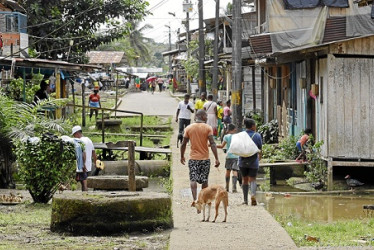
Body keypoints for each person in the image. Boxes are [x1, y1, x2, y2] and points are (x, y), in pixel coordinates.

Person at [180, 110, 220, 203]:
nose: (207, 118)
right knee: (205, 180)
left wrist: (182, 156)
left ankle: (195, 200)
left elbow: (183, 144)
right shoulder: (207, 128)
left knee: (193, 179)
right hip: (205, 159)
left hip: (193, 158)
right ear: (202, 116)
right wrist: (216, 158)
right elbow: (213, 143)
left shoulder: (189, 128)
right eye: (206, 116)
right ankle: (202, 200)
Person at [239, 118, 262, 206]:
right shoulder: (257, 136)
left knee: (244, 179)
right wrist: (259, 157)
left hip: (242, 161)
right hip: (253, 161)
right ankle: (253, 195)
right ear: (252, 126)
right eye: (255, 125)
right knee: (252, 179)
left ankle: (245, 200)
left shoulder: (241, 135)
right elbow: (260, 148)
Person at [72, 126, 97, 191]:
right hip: (88, 165)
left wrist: (83, 165)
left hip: (82, 166)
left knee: (84, 184)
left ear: (77, 133)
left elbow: (83, 154)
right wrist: (95, 162)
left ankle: (85, 196)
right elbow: (93, 152)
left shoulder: (79, 141)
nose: (74, 137)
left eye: (74, 135)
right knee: (81, 180)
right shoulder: (88, 140)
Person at [217, 123, 239, 193]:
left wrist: (212, 145)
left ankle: (227, 187)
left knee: (228, 171)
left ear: (228, 130)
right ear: (234, 129)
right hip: (236, 156)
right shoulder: (238, 136)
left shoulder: (226, 137)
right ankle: (234, 187)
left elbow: (221, 146)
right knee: (235, 171)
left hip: (229, 156)